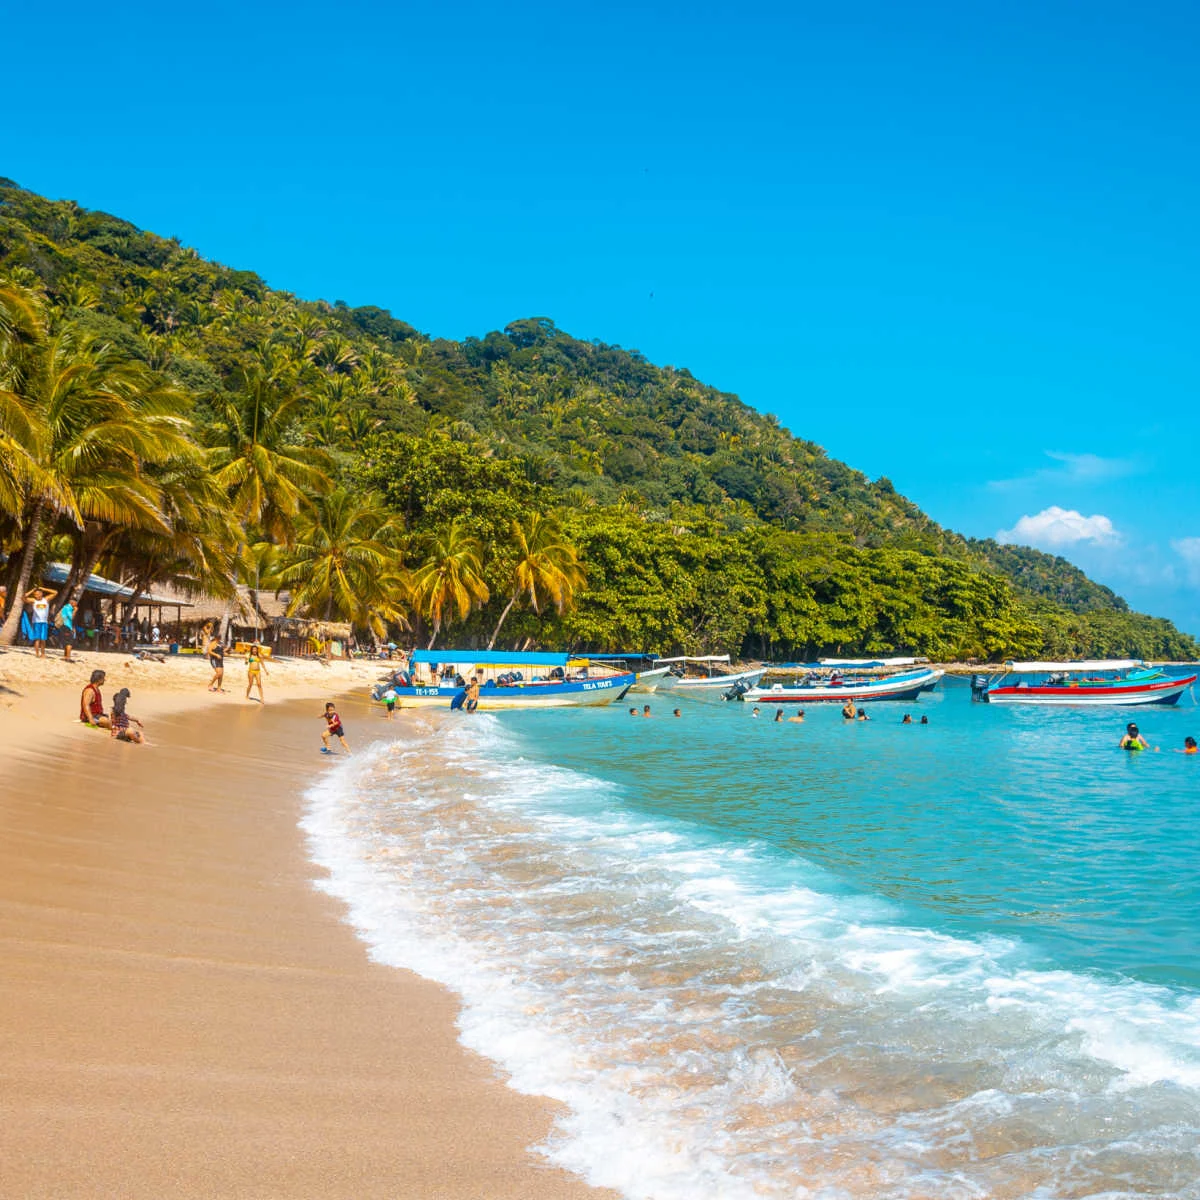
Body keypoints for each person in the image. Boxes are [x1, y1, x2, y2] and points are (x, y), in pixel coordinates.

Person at [24, 586, 57, 658]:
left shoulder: (46, 599)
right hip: (36, 622)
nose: (36, 595)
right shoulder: (34, 600)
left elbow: (55, 592)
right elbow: (23, 597)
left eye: (38, 594)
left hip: (44, 622)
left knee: (43, 639)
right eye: (35, 594)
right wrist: (32, 590)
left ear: (41, 594)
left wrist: (43, 588)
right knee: (37, 639)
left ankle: (43, 654)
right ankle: (37, 654)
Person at [205, 627, 227, 692]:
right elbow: (209, 651)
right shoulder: (212, 643)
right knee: (219, 673)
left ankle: (219, 688)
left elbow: (222, 651)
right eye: (218, 637)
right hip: (214, 660)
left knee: (221, 674)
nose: (219, 638)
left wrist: (226, 652)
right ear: (215, 637)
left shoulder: (221, 643)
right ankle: (210, 684)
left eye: (220, 637)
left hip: (220, 660)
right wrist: (216, 655)